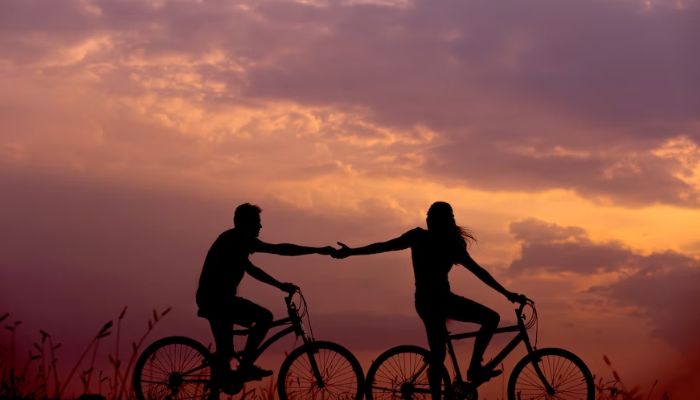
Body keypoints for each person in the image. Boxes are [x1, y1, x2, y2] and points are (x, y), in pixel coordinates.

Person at [332, 201, 525, 400]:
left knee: (442, 352)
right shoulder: (434, 241)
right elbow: (383, 246)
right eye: (428, 215)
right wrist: (507, 294)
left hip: (431, 302)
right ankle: (474, 368)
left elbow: (478, 272)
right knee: (484, 323)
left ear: (439, 220)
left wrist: (506, 293)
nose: (427, 219)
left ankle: (463, 376)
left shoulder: (438, 241)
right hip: (437, 302)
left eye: (431, 216)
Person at [196, 203, 334, 385]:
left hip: (219, 300)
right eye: (257, 223)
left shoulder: (237, 240)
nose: (260, 227)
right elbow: (272, 255)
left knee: (225, 353)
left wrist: (281, 284)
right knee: (264, 317)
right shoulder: (234, 240)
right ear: (245, 224)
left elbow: (265, 260)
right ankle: (245, 366)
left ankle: (221, 375)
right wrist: (316, 250)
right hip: (216, 301)